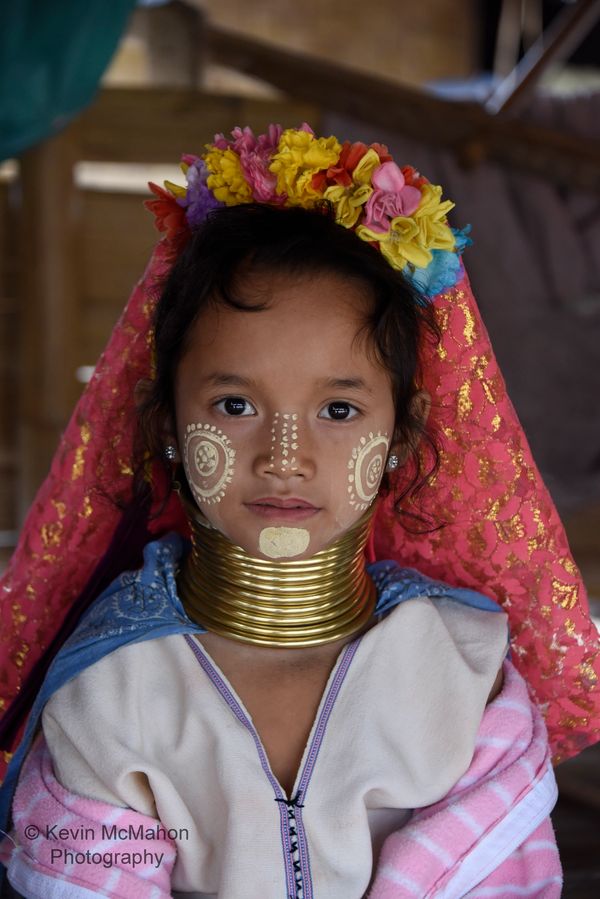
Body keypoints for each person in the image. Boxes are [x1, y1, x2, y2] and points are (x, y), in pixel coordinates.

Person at [0, 123, 596, 897]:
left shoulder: (466, 676)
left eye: (339, 410)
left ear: (401, 436)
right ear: (167, 429)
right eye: (237, 403)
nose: (285, 456)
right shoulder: (109, 690)